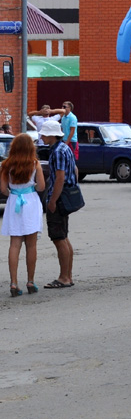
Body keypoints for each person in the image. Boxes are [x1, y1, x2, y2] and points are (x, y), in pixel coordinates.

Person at [1, 134, 47, 296]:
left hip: (14, 202)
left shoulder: (6, 164)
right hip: (30, 202)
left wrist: (13, 193)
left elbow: (2, 189)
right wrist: (30, 188)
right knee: (31, 245)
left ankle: (13, 283)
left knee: (14, 244)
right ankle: (30, 281)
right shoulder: (35, 164)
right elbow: (41, 187)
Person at [38, 119, 77, 289]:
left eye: (44, 134)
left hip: (58, 198)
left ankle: (64, 277)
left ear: (51, 135)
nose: (42, 136)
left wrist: (53, 200)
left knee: (58, 238)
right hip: (64, 197)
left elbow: (59, 177)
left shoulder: (57, 152)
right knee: (64, 237)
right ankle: (68, 275)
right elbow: (74, 171)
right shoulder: (64, 148)